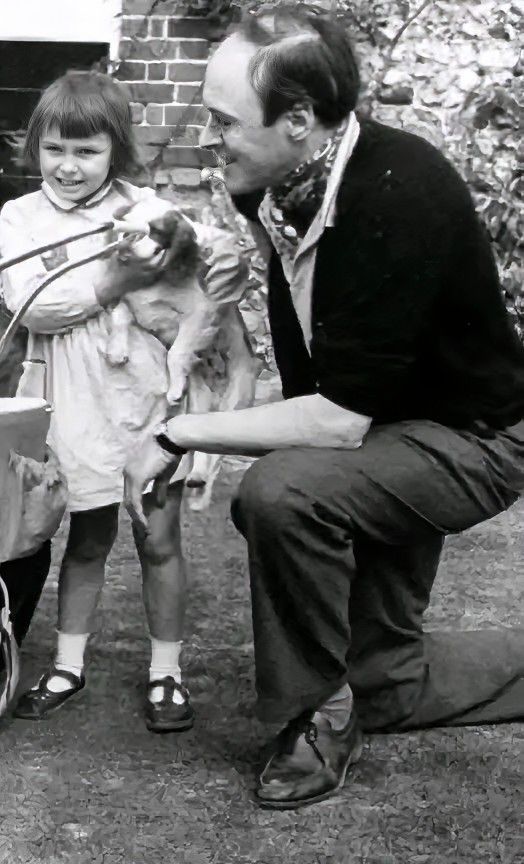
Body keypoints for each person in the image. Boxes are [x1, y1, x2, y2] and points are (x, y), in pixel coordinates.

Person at [123, 9, 524, 809]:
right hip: (392, 424)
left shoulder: (394, 193)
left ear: (299, 120)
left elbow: (335, 419)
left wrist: (175, 433)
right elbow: (324, 368)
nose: (210, 139)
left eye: (224, 121)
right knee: (389, 682)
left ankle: (315, 718)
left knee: (282, 490)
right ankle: (362, 694)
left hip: (473, 438)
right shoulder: (286, 187)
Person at [0, 71, 245, 732]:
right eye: (55, 149)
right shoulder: (19, 219)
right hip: (68, 401)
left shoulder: (147, 209)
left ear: (116, 149)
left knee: (158, 536)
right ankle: (69, 664)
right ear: (35, 148)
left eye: (87, 151)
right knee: (86, 537)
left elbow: (204, 279)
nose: (69, 166)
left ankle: (167, 674)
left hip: (142, 401)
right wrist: (117, 279)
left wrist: (225, 266)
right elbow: (40, 308)